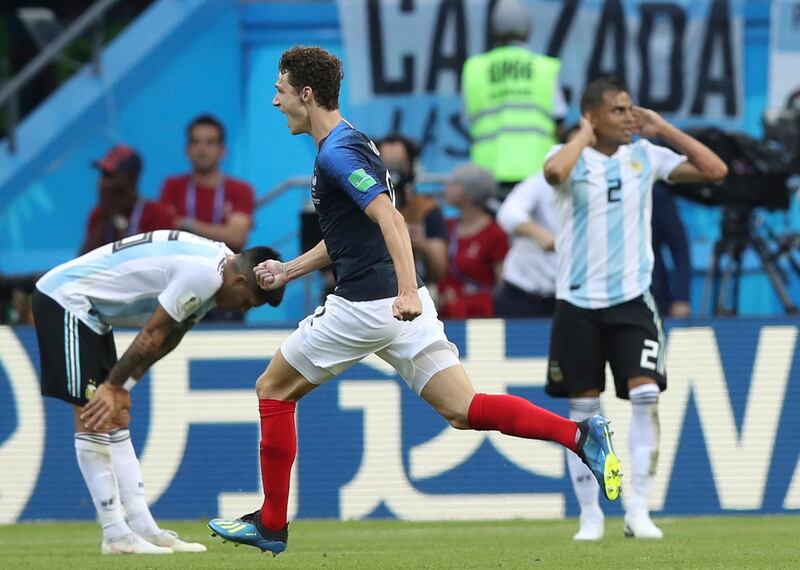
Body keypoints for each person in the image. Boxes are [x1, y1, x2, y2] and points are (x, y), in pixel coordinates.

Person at [206, 45, 621, 557]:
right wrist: (290, 270)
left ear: (306, 94)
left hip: (365, 307)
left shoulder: (336, 154)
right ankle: (581, 437)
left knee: (273, 388)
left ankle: (271, 523)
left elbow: (392, 221)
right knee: (464, 409)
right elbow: (351, 235)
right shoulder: (354, 142)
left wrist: (404, 289)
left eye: (280, 90)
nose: (275, 101)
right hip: (401, 307)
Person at [543, 76, 727, 540]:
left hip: (632, 299)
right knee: (584, 411)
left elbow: (715, 170)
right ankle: (590, 515)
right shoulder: (567, 157)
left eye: (631, 109)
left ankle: (638, 508)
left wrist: (663, 128)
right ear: (593, 116)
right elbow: (554, 174)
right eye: (619, 110)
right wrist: (582, 134)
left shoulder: (644, 156)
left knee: (646, 395)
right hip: (577, 302)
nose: (630, 117)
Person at [32, 230, 284, 555]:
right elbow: (152, 333)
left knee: (116, 415)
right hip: (64, 300)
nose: (244, 311)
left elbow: (171, 335)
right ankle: (114, 534)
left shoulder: (218, 267)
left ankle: (142, 528)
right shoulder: (205, 273)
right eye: (248, 303)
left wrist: (124, 386)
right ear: (239, 283)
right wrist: (112, 386)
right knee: (93, 417)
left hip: (92, 315)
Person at [461, 0, 567, 200]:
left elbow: (467, 119)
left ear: (494, 30)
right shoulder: (544, 67)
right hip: (537, 168)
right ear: (528, 29)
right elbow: (559, 118)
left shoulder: (475, 68)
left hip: (488, 173)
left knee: (497, 230)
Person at [159, 114, 255, 253]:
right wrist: (221, 232)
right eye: (195, 142)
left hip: (225, 270)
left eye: (210, 142)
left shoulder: (241, 189)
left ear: (222, 151)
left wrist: (187, 224)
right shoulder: (172, 186)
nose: (202, 149)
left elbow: (236, 237)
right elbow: (165, 232)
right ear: (187, 150)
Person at [438, 163, 509, 319]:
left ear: (471, 194)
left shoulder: (495, 233)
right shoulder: (446, 227)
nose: (447, 187)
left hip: (479, 313)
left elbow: (501, 283)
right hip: (446, 309)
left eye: (455, 184)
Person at [377, 134, 448, 286]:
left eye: (398, 166)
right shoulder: (363, 206)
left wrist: (424, 245)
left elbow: (439, 270)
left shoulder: (426, 208)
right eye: (386, 166)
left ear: (411, 166)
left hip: (416, 288)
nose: (393, 174)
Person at [80, 145, 174, 255]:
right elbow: (84, 261)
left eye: (110, 175)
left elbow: (146, 262)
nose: (102, 183)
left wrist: (118, 219)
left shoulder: (157, 215)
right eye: (102, 175)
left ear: (130, 179)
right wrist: (105, 220)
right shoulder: (98, 214)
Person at [494, 171, 558, 318]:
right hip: (521, 292)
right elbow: (508, 213)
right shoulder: (541, 180)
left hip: (568, 297)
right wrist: (538, 233)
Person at [651, 182, 692, 318]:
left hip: (651, 294)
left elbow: (679, 245)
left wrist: (681, 297)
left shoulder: (652, 191)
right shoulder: (589, 187)